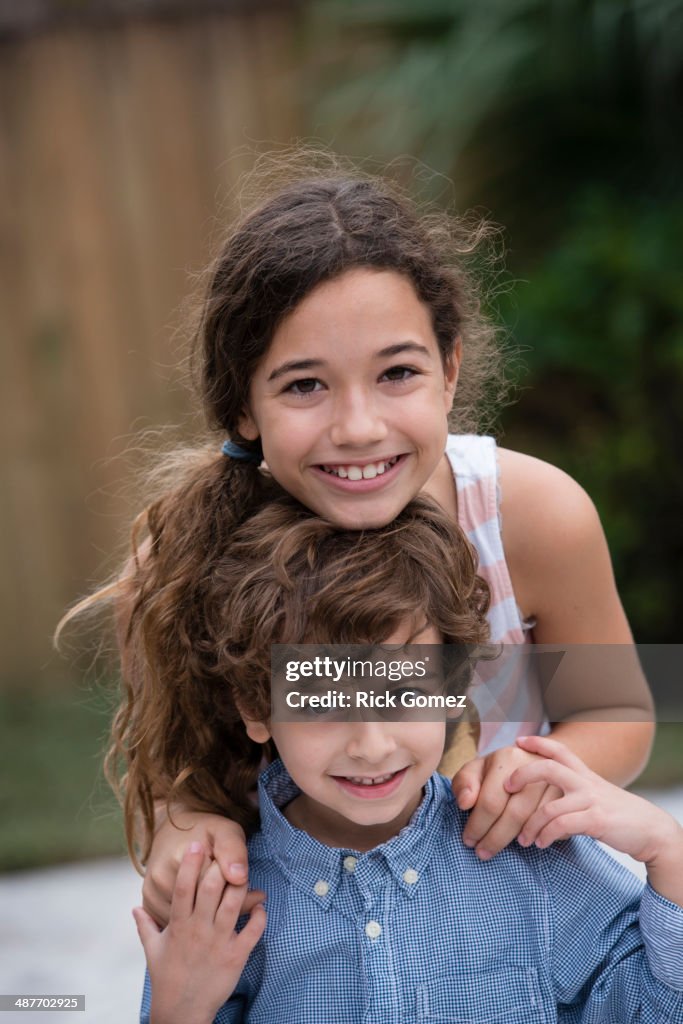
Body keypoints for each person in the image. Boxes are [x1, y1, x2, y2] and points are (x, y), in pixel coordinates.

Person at [103, 153, 653, 921]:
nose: (357, 428)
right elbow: (179, 776)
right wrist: (181, 826)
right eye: (303, 385)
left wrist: (521, 776)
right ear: (242, 407)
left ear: (450, 369)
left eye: (396, 372)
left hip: (520, 902)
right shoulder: (179, 566)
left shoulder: (530, 517)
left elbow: (618, 711)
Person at [131, 497, 683, 1024]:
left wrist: (668, 850)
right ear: (256, 706)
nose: (371, 746)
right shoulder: (222, 907)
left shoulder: (536, 865)